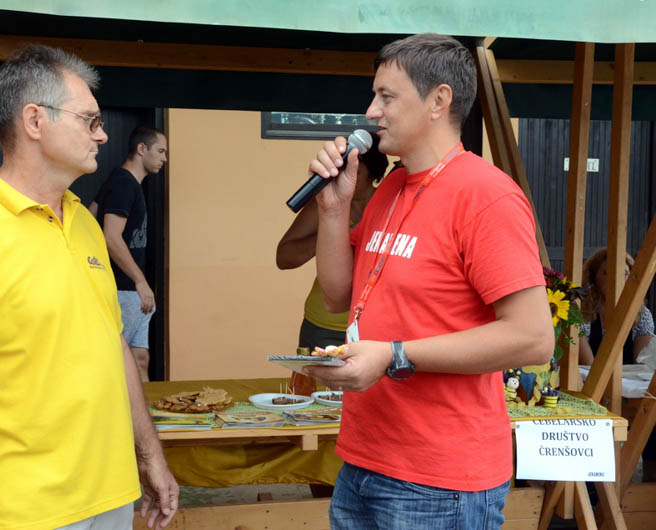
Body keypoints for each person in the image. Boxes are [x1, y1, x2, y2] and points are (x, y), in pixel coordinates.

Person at [0, 45, 178, 530]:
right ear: (35, 120)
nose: (102, 134)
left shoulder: (85, 224)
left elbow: (114, 345)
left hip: (112, 497)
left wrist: (150, 455)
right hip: (25, 511)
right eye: (89, 120)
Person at [303, 33, 554, 529]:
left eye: (386, 96)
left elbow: (533, 338)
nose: (371, 112)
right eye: (374, 96)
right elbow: (337, 297)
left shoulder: (486, 195)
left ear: (439, 100)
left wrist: (394, 354)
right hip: (363, 458)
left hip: (440, 480)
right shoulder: (392, 187)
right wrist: (332, 210)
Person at [276, 134, 390, 396]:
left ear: (374, 174)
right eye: (341, 167)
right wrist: (334, 229)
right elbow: (284, 257)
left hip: (375, 329)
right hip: (323, 325)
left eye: (355, 169)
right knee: (314, 405)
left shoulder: (390, 205)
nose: (344, 174)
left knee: (372, 403)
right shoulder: (323, 204)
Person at [90, 126, 168, 382]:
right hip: (122, 289)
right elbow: (110, 236)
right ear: (141, 148)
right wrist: (140, 281)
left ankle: (144, 409)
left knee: (140, 358)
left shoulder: (124, 182)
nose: (164, 159)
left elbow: (89, 216)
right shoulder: (124, 183)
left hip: (131, 291)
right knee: (118, 361)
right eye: (160, 151)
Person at [578, 247, 656, 482]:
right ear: (593, 277)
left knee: (652, 412)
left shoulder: (641, 314)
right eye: (606, 273)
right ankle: (596, 484)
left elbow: (643, 361)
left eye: (624, 273)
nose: (615, 279)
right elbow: (589, 365)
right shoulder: (581, 313)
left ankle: (650, 481)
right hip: (589, 387)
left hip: (627, 387)